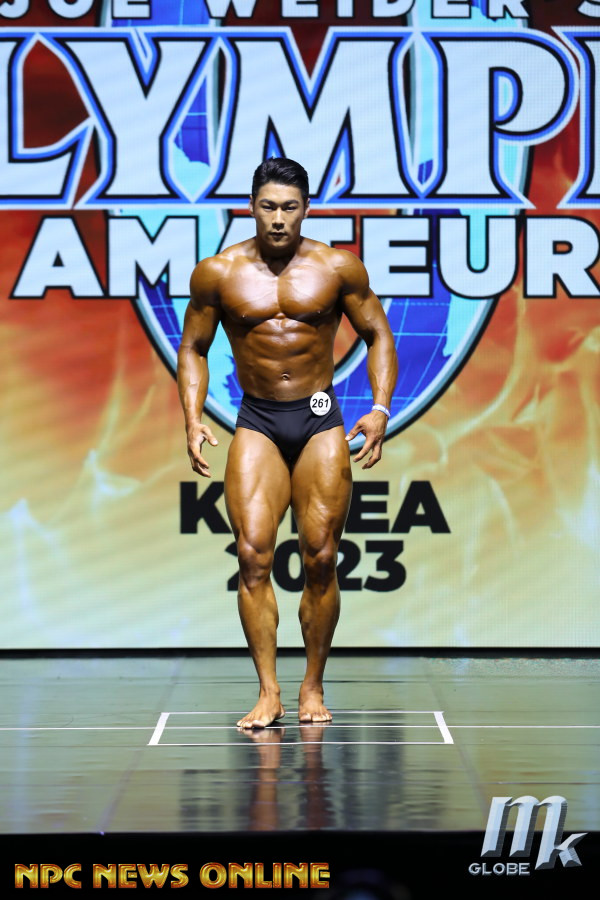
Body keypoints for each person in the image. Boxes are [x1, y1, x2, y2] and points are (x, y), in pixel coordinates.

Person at [177, 158, 397, 729]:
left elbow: (377, 333)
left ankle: (313, 686)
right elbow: (193, 347)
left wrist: (379, 409)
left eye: (290, 207)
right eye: (269, 207)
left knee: (320, 555)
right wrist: (192, 418)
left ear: (306, 209)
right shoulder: (218, 273)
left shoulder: (337, 267)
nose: (278, 219)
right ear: (252, 207)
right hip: (258, 419)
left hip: (319, 416)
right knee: (253, 555)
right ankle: (269, 692)